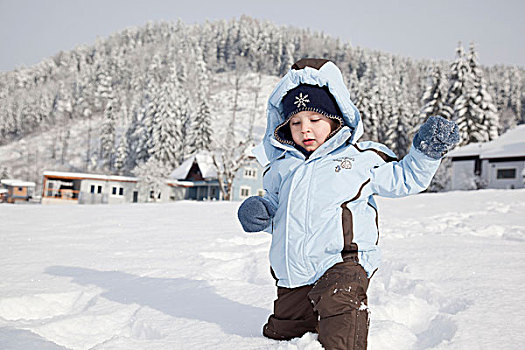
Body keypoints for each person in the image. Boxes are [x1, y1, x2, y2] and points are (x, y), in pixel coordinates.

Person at [237, 58, 459, 350]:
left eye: (315, 120)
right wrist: (261, 215)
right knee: (284, 332)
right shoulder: (280, 167)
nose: (305, 129)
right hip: (294, 271)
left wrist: (426, 152)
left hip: (343, 262)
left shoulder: (359, 158)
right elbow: (281, 214)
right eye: (296, 122)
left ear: (335, 118)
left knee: (341, 312)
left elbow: (405, 178)